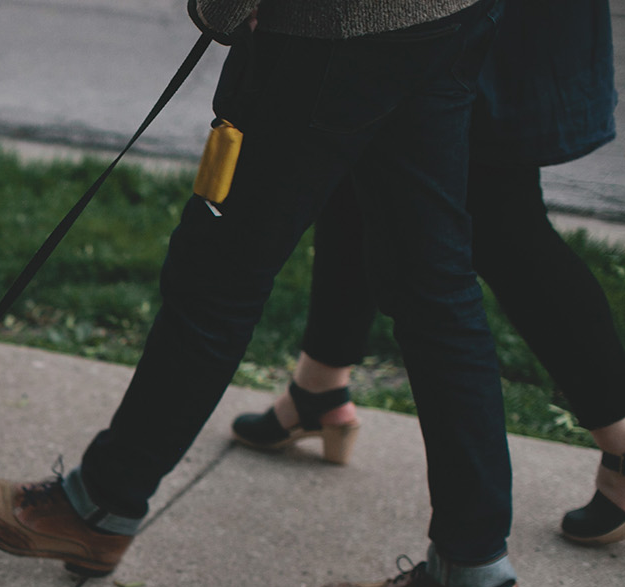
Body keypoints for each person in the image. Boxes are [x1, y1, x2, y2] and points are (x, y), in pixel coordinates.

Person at [0, 0, 527, 587]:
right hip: (447, 14)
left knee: (217, 274)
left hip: (334, 28)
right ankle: (475, 575)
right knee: (435, 283)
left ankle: (99, 506)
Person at [232, 0, 625, 548]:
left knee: (497, 213)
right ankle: (318, 386)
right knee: (363, 154)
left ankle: (618, 444)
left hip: (472, 17)